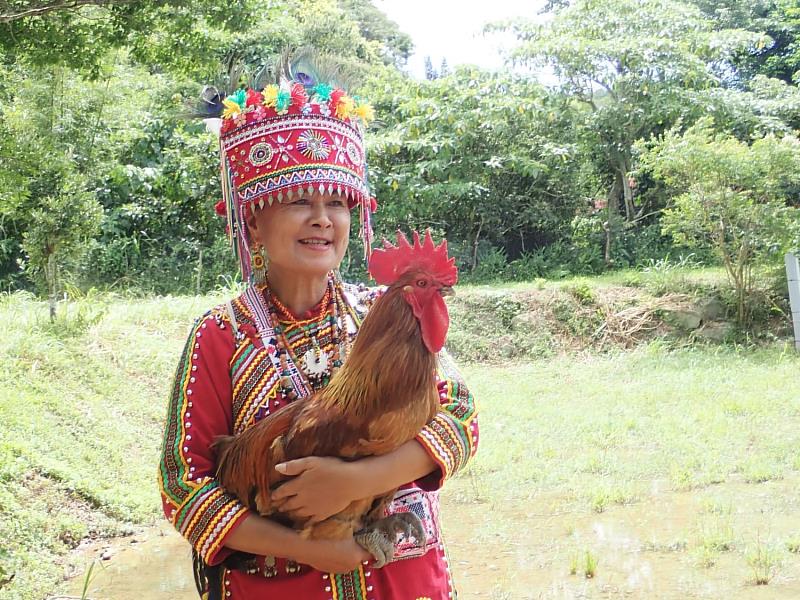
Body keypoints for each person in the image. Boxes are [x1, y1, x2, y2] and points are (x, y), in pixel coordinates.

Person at [156, 58, 479, 600]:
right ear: (254, 219)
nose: (322, 219)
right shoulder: (220, 334)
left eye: (337, 203)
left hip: (402, 579)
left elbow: (461, 418)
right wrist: (313, 548)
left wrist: (361, 480)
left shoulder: (383, 309)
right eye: (300, 201)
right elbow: (182, 486)